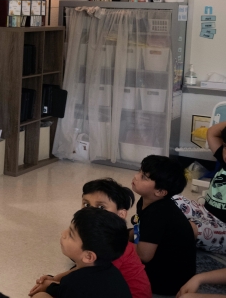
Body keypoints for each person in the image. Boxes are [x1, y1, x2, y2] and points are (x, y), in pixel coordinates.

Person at [31, 178, 152, 298]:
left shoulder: (111, 247)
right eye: (86, 204)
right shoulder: (108, 247)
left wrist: (52, 284)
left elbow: (78, 281)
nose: (90, 210)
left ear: (121, 214)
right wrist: (55, 279)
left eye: (100, 208)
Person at [132, 155, 197, 296]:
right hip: (176, 273)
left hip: (166, 283)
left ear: (160, 192)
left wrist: (126, 242)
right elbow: (139, 225)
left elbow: (144, 256)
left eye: (143, 177)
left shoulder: (157, 214)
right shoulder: (147, 201)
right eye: (139, 171)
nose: (136, 176)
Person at [31, 208, 132, 298]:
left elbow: (64, 289)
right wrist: (53, 279)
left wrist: (48, 286)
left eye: (70, 234)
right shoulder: (110, 270)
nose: (63, 233)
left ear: (88, 256)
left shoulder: (74, 282)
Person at [173, 120, 226, 254]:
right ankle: (135, 238)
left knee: (189, 228)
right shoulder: (223, 160)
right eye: (225, 146)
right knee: (172, 201)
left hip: (223, 231)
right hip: (208, 216)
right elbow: (212, 132)